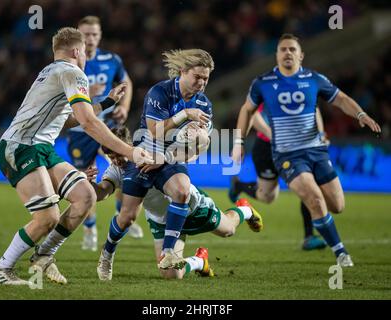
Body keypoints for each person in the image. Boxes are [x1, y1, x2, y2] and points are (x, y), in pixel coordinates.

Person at [0, 27, 152, 285]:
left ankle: (43, 256)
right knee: (47, 218)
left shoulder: (50, 72)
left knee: (85, 195)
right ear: (77, 51)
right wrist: (129, 150)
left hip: (40, 148)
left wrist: (106, 102)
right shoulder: (74, 73)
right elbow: (87, 123)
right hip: (21, 147)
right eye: (85, 51)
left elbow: (68, 120)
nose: (87, 56)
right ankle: (1, 269)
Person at [231, 33, 381, 267]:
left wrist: (360, 114)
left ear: (301, 55)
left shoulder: (314, 79)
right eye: (283, 49)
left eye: (292, 49)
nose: (288, 53)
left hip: (317, 152)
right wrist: (238, 142)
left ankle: (315, 233)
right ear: (277, 55)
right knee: (314, 198)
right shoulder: (263, 82)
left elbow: (339, 99)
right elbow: (247, 110)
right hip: (287, 155)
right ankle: (340, 252)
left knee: (337, 206)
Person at [82, 127, 263, 280]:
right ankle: (200, 261)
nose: (115, 160)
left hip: (189, 208)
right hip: (162, 221)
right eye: (110, 156)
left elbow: (184, 156)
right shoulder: (117, 170)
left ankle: (244, 209)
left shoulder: (151, 152)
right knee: (170, 274)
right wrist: (89, 185)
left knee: (228, 230)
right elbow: (103, 191)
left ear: (128, 145)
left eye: (117, 154)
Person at [98, 49, 215, 272]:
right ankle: (107, 253)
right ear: (183, 72)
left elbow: (198, 149)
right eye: (197, 77)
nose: (201, 82)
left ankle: (169, 253)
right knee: (128, 216)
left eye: (206, 78)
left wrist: (183, 146)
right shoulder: (160, 92)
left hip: (168, 160)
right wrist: (185, 115)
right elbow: (155, 131)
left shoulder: (205, 105)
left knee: (182, 190)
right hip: (144, 154)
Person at [67, 16, 143, 251]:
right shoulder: (68, 63)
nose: (90, 39)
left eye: (94, 34)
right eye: (86, 34)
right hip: (80, 130)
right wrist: (86, 91)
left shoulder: (111, 60)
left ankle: (124, 218)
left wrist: (124, 107)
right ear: (77, 35)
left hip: (108, 127)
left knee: (123, 169)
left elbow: (126, 82)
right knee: (85, 179)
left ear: (100, 36)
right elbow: (59, 99)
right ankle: (90, 227)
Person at [229, 103, 327, 250]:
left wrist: (321, 133)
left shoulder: (303, 84)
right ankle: (239, 186)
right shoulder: (267, 84)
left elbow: (315, 108)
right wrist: (272, 135)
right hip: (267, 148)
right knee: (268, 197)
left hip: (295, 148)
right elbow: (252, 114)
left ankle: (309, 236)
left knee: (308, 187)